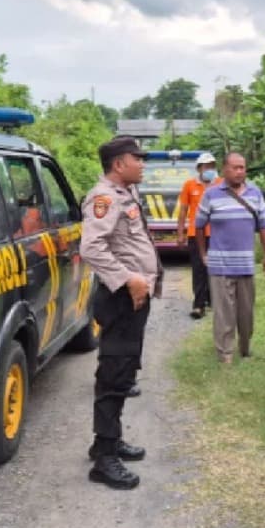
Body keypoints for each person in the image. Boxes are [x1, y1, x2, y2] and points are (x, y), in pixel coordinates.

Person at [79, 135, 162, 490]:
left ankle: (106, 441)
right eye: (137, 158)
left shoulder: (128, 194)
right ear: (118, 164)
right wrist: (128, 279)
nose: (142, 163)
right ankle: (104, 459)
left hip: (133, 298)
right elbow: (91, 247)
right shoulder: (103, 198)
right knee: (114, 373)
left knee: (124, 370)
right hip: (120, 298)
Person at [194, 153, 265, 363]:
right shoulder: (211, 195)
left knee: (246, 314)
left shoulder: (255, 193)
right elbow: (199, 225)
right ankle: (225, 353)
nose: (240, 171)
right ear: (225, 170)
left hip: (246, 264)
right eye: (235, 167)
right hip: (220, 264)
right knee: (223, 313)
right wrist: (204, 253)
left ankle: (245, 348)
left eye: (243, 168)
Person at [177, 152, 220, 319]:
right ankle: (198, 304)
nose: (210, 169)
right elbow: (183, 211)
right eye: (206, 166)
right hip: (196, 235)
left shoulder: (221, 184)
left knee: (215, 269)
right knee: (199, 270)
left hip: (217, 234)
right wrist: (180, 233)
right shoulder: (189, 185)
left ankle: (213, 300)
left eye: (212, 166)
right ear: (199, 168)